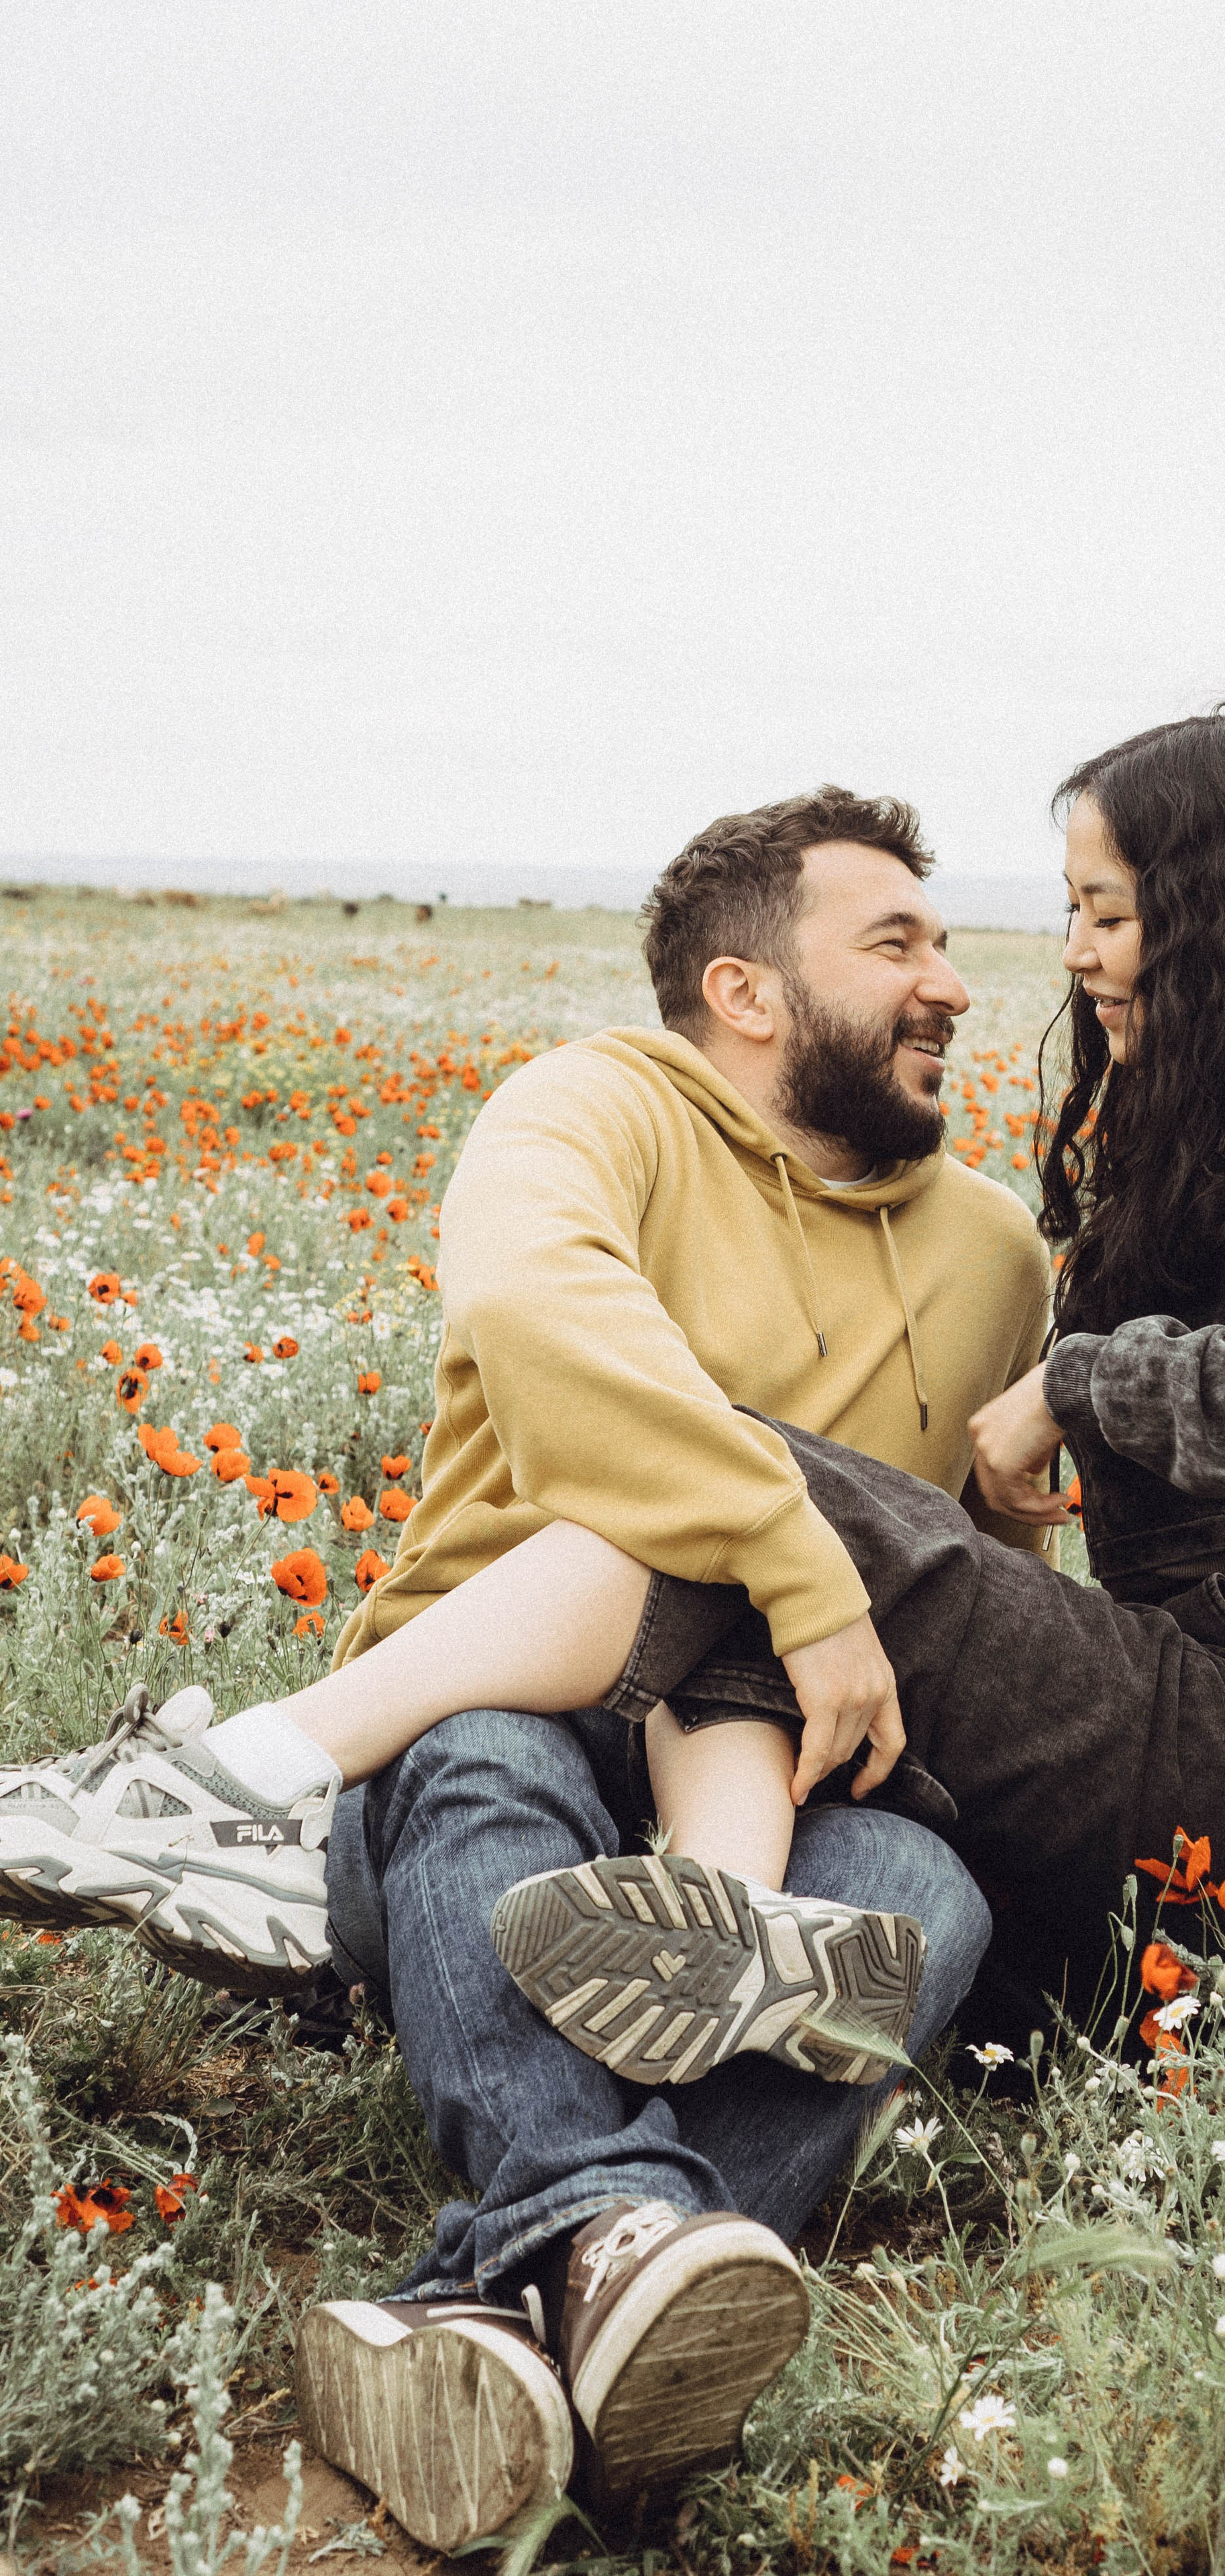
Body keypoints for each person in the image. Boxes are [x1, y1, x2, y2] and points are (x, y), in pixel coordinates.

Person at [0, 787, 1047, 2538]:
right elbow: (535, 1314)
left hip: (767, 1777)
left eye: (943, 941)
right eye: (897, 945)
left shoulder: (996, 1256)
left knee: (925, 1903)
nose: (950, 981)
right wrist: (797, 1566)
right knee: (485, 1756)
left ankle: (500, 2324)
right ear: (750, 992)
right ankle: (597, 2232)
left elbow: (978, 1584)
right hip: (515, 1693)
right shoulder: (594, 1112)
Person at [466, 708, 1225, 2070]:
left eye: (1106, 912)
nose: (1074, 954)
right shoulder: (1219, 1131)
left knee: (751, 1471)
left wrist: (1079, 1379)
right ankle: (731, 1928)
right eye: (1070, 910)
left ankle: (286, 1779)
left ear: (1218, 916)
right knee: (764, 1562)